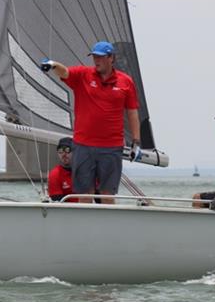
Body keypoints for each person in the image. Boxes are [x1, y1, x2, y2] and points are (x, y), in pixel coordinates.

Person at [40, 41, 141, 204]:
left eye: (100, 57)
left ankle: (107, 228)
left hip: (111, 147)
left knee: (107, 194)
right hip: (83, 145)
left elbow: (132, 112)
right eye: (94, 57)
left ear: (111, 58)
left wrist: (136, 142)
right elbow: (65, 72)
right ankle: (83, 228)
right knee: (84, 192)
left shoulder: (126, 82)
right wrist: (52, 65)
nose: (96, 61)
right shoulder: (83, 75)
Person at [48, 137, 74, 201]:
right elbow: (57, 201)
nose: (64, 154)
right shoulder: (55, 174)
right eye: (60, 151)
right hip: (66, 210)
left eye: (67, 150)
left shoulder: (85, 172)